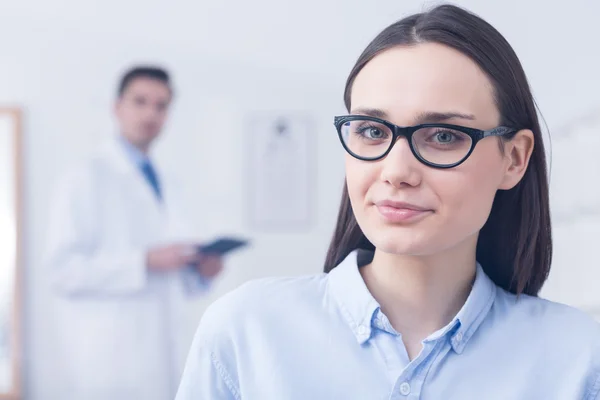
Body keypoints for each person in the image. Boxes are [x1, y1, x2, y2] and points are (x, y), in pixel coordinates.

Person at [176, 4, 600, 400]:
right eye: (372, 131)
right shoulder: (246, 331)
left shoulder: (578, 358)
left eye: (445, 136)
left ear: (514, 159)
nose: (396, 171)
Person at [43, 66, 224, 400]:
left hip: (161, 355)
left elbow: (172, 273)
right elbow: (61, 271)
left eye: (161, 105)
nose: (150, 113)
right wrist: (143, 262)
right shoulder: (84, 177)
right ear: (117, 107)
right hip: (109, 363)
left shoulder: (166, 182)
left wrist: (200, 272)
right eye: (140, 101)